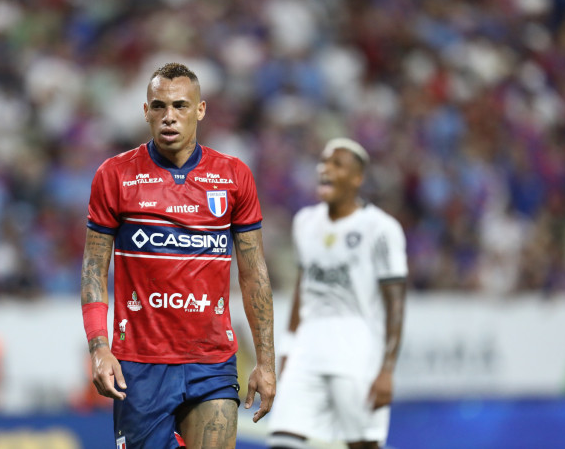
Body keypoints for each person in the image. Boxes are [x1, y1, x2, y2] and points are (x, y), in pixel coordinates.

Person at [80, 62, 276, 449]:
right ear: (146, 111)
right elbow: (92, 269)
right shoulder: (115, 176)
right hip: (139, 364)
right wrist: (100, 348)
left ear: (200, 110)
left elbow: (253, 273)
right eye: (159, 106)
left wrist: (267, 362)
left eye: (181, 106)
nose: (169, 117)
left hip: (211, 360)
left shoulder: (233, 176)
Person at [267, 138, 408, 449]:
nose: (325, 169)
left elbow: (396, 303)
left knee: (361, 444)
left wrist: (387, 370)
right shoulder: (305, 222)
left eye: (337, 164)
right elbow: (303, 289)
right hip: (308, 348)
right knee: (282, 440)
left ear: (357, 178)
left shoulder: (381, 229)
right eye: (323, 162)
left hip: (356, 351)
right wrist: (288, 348)